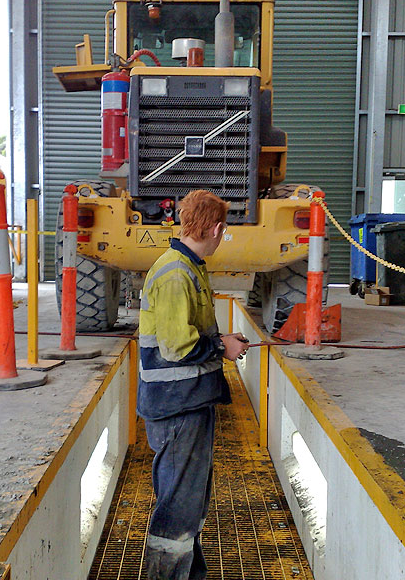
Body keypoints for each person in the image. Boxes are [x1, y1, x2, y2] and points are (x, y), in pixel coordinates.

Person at [137, 189, 249, 579]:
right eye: (225, 230)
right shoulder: (175, 274)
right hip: (176, 407)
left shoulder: (189, 267)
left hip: (187, 402)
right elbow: (175, 346)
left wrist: (221, 343)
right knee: (178, 506)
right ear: (216, 228)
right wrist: (223, 345)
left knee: (189, 500)